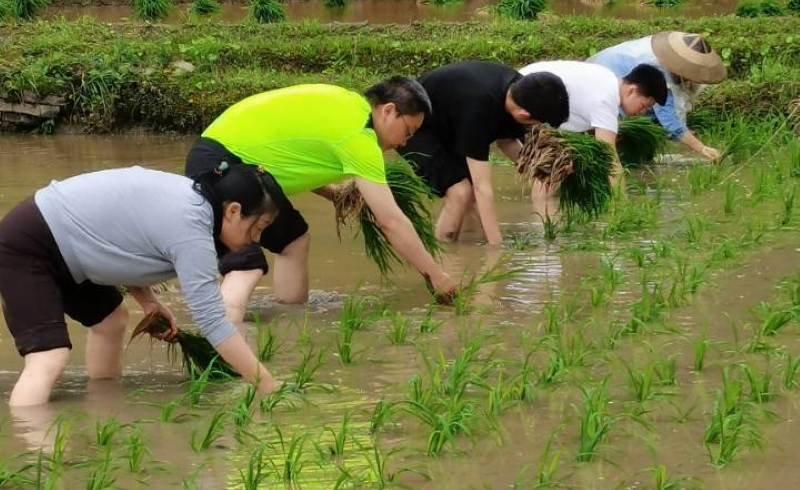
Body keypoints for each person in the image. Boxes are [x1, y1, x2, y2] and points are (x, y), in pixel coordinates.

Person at [0, 164, 280, 406]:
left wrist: (149, 302)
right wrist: (268, 387)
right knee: (48, 358)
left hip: (63, 244)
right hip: (30, 245)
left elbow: (125, 240)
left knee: (112, 320)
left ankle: (103, 404)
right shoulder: (193, 226)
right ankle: (30, 451)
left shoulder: (193, 202)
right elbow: (213, 322)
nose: (256, 239)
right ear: (233, 211)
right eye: (258, 226)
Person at [186, 79, 457, 322]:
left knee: (293, 239)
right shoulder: (360, 138)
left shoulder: (348, 105)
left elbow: (293, 154)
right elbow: (391, 221)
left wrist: (332, 194)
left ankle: (288, 321)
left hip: (218, 154)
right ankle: (226, 337)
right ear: (388, 111)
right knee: (245, 259)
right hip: (224, 165)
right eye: (408, 131)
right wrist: (434, 274)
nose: (405, 142)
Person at [397, 60, 570, 245]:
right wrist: (496, 247)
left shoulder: (520, 91)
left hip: (451, 123)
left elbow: (507, 140)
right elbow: (483, 188)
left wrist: (546, 171)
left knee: (469, 201)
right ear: (524, 116)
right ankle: (442, 256)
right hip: (410, 124)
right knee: (461, 193)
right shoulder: (479, 110)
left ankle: (464, 253)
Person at [518, 61, 667, 208]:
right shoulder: (606, 100)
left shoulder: (607, 79)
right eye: (644, 106)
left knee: (558, 164)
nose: (642, 113)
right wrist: (622, 205)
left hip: (521, 89)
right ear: (631, 90)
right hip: (523, 100)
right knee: (552, 169)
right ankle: (543, 223)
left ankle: (543, 217)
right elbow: (611, 161)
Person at [588, 31, 727, 162]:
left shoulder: (668, 55)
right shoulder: (659, 71)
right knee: (609, 134)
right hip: (601, 82)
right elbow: (669, 121)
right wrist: (701, 148)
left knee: (645, 120)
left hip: (609, 76)